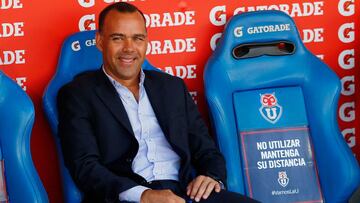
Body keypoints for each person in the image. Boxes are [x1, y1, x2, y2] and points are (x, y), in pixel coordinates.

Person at [57, 2, 259, 203]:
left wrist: (211, 176)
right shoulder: (77, 94)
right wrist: (143, 195)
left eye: (138, 38)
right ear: (100, 41)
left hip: (188, 192)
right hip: (128, 197)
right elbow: (84, 166)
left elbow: (206, 149)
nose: (129, 48)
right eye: (118, 38)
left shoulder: (172, 87)